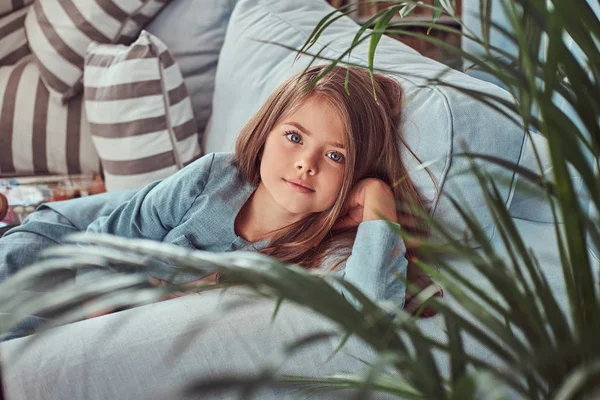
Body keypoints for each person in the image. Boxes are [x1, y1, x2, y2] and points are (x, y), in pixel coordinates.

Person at [0, 65, 439, 341]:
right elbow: (103, 241)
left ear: (356, 175)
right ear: (266, 133)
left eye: (335, 155)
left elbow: (375, 322)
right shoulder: (216, 176)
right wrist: (98, 320)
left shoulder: (329, 252)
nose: (306, 164)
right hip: (70, 254)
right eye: (293, 137)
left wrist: (379, 200)